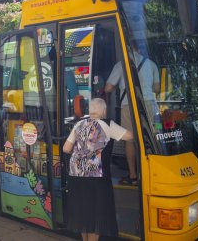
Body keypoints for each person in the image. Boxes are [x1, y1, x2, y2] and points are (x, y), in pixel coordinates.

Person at [63, 98, 133, 241]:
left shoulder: (79, 124)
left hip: (76, 174)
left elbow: (66, 148)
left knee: (82, 211)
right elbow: (131, 136)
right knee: (96, 214)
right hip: (96, 177)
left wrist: (81, 156)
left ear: (90, 110)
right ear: (104, 111)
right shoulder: (107, 124)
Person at [104, 42, 160, 185]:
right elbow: (157, 88)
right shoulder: (151, 64)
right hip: (149, 103)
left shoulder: (121, 64)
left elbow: (108, 88)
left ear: (127, 47)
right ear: (139, 49)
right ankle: (153, 174)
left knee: (130, 139)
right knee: (151, 137)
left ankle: (134, 176)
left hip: (129, 104)